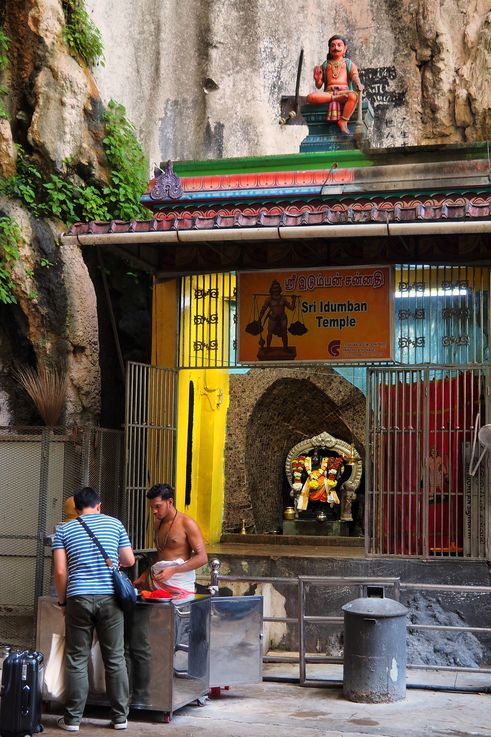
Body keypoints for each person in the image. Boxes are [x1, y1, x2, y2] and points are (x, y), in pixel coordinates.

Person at [52, 487, 135, 732]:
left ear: (76, 509)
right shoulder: (115, 525)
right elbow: (129, 560)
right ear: (99, 505)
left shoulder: (64, 529)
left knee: (77, 658)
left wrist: (63, 602)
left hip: (78, 596)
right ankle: (120, 718)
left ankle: (73, 720)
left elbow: (60, 571)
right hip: (110, 597)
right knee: (115, 658)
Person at [133, 483, 208, 596]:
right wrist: (144, 575)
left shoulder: (187, 523)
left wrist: (173, 570)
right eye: (152, 507)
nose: (154, 511)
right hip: (158, 583)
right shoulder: (157, 523)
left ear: (170, 502)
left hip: (179, 585)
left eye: (158, 506)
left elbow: (202, 558)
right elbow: (161, 554)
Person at [306, 34, 364, 135]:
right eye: (332, 46)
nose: (335, 48)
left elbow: (354, 76)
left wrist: (358, 83)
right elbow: (319, 85)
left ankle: (343, 121)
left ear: (345, 48)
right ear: (329, 49)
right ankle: (337, 98)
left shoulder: (348, 63)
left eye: (339, 45)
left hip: (344, 91)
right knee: (310, 97)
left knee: (354, 96)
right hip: (329, 94)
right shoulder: (325, 65)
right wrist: (317, 79)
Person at [258, 280, 297, 351]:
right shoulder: (269, 299)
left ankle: (285, 348)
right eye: (274, 288)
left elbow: (291, 308)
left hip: (283, 318)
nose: (276, 290)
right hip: (273, 318)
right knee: (269, 333)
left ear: (279, 289)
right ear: (272, 289)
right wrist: (260, 318)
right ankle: (268, 348)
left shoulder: (283, 298)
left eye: (277, 288)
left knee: (284, 333)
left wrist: (293, 300)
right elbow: (263, 309)